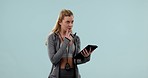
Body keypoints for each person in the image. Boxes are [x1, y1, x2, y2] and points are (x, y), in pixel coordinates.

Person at [46, 9, 93, 78]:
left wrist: (86, 57)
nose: (70, 25)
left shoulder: (76, 39)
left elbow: (76, 61)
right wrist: (66, 42)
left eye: (72, 22)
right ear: (60, 22)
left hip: (73, 75)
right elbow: (54, 60)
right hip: (57, 75)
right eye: (67, 22)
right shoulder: (52, 37)